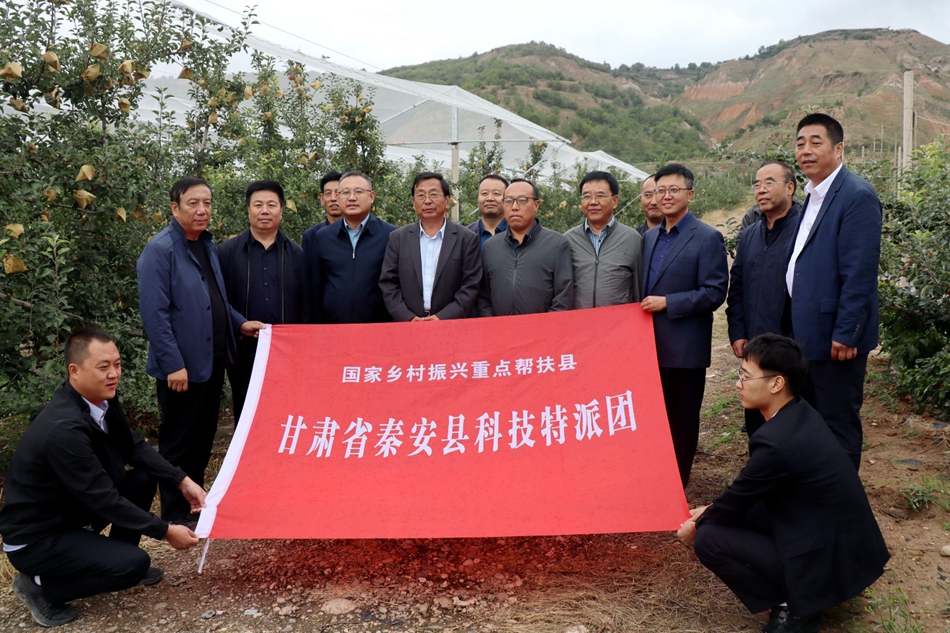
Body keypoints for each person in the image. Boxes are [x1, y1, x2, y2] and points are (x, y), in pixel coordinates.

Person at [677, 333, 889, 633]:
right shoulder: (800, 412)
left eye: (746, 377)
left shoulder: (776, 442)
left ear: (776, 383)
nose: (738, 384)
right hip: (843, 549)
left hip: (828, 562)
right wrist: (710, 510)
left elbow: (738, 498)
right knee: (725, 515)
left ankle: (795, 605)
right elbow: (743, 496)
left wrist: (697, 524)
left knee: (709, 538)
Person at [0, 328, 206, 627]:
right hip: (38, 538)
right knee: (133, 566)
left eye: (117, 365)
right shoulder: (64, 429)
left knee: (143, 477)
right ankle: (40, 587)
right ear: (74, 371)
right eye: (103, 367)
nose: (113, 374)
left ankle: (118, 554)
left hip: (73, 512)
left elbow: (132, 446)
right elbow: (102, 499)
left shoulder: (100, 399)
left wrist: (182, 480)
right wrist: (164, 531)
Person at [137, 177, 265, 524]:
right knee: (178, 442)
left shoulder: (206, 245)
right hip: (182, 367)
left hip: (212, 360)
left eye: (207, 203)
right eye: (193, 203)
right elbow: (155, 315)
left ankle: (195, 504)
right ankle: (174, 514)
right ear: (174, 207)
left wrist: (240, 323)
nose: (202, 210)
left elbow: (216, 299)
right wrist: (173, 364)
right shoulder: (160, 250)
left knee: (203, 438)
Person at [785, 113, 882, 469]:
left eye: (816, 142)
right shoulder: (813, 197)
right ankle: (819, 491)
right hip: (808, 332)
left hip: (835, 338)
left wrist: (847, 332)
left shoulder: (856, 195)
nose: (806, 151)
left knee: (837, 422)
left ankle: (843, 498)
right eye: (800, 144)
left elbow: (859, 272)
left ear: (838, 149)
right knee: (812, 419)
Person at [641, 163, 728, 487]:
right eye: (660, 190)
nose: (666, 196)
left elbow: (714, 292)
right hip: (648, 346)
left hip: (685, 348)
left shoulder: (707, 237)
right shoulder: (648, 238)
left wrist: (669, 302)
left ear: (690, 194)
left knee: (682, 420)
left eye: (674, 190)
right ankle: (655, 479)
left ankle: (676, 485)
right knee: (654, 419)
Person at [217, 180, 308, 422]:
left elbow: (305, 303)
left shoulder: (298, 255)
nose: (264, 211)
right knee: (247, 414)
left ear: (281, 210)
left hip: (286, 352)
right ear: (248, 209)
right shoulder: (227, 252)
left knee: (286, 413)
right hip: (244, 350)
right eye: (258, 205)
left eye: (271, 205)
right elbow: (217, 298)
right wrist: (239, 323)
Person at [726, 161, 802, 436]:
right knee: (757, 419)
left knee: (791, 416)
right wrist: (737, 332)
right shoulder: (749, 235)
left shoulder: (804, 230)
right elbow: (737, 287)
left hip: (793, 342)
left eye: (769, 183)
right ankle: (761, 461)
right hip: (756, 343)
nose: (761, 190)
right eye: (757, 185)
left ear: (790, 187)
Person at [379, 172, 482, 321]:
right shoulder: (398, 238)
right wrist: (407, 317)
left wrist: (442, 317)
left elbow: (470, 286)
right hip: (408, 325)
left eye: (434, 194)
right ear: (414, 202)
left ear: (447, 200)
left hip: (451, 324)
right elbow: (389, 284)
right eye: (421, 195)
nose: (427, 201)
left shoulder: (466, 239)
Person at [307, 171, 397, 323]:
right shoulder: (323, 237)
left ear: (372, 196)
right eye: (345, 193)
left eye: (358, 192)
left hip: (379, 326)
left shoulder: (391, 235)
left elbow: (396, 285)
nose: (352, 198)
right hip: (334, 327)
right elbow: (316, 288)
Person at [477, 178, 573, 316]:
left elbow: (563, 297)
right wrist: (492, 324)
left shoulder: (557, 244)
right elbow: (483, 297)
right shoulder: (491, 246)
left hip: (543, 327)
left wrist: (548, 325)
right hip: (499, 327)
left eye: (522, 200)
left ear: (536, 205)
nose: (514, 207)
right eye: (509, 201)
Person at [564, 170, 642, 309]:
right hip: (578, 319)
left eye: (600, 196)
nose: (593, 202)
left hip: (619, 319)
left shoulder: (632, 239)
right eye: (587, 197)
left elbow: (638, 288)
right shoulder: (568, 239)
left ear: (615, 201)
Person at [301, 170, 343, 257]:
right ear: (322, 199)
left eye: (338, 193)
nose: (333, 198)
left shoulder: (358, 233)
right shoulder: (311, 236)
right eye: (328, 193)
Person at [466, 174, 509, 249]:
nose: (490, 198)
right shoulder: (465, 235)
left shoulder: (519, 232)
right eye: (484, 193)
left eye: (496, 193)